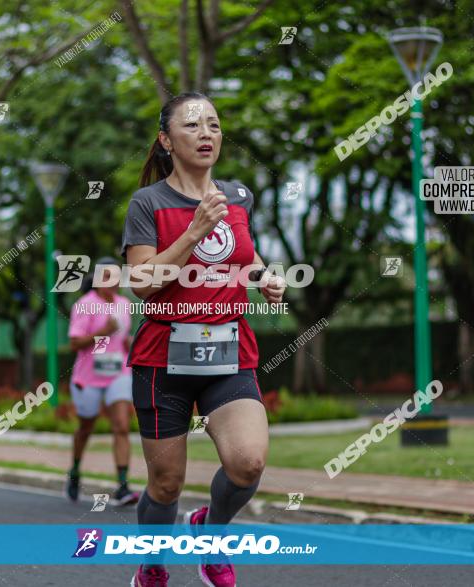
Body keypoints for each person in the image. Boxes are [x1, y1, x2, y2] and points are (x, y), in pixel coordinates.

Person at [122, 93, 286, 587]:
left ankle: (209, 535)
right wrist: (193, 231)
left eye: (213, 124)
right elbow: (144, 281)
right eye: (192, 126)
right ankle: (152, 566)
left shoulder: (237, 197)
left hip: (229, 351)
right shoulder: (148, 203)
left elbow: (242, 257)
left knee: (247, 463)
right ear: (166, 140)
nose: (206, 133)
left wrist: (264, 277)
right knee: (165, 484)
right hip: (162, 360)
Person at [66, 257, 140, 506]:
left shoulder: (124, 304)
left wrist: (127, 343)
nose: (114, 282)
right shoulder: (84, 305)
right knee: (86, 428)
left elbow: (121, 338)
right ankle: (75, 471)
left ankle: (122, 486)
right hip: (88, 377)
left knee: (120, 425)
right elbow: (75, 343)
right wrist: (103, 333)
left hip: (118, 373)